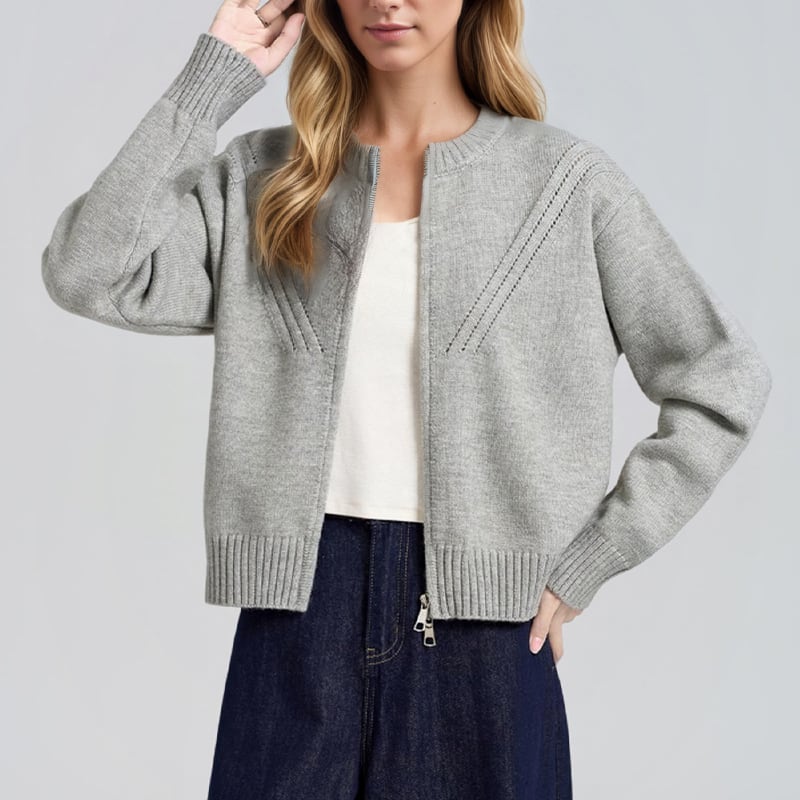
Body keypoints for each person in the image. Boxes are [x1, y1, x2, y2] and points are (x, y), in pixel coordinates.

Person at [40, 1, 772, 798]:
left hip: (485, 639)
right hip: (295, 616)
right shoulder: (263, 180)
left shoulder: (566, 186)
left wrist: (589, 560)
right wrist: (211, 78)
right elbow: (86, 271)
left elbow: (720, 379)